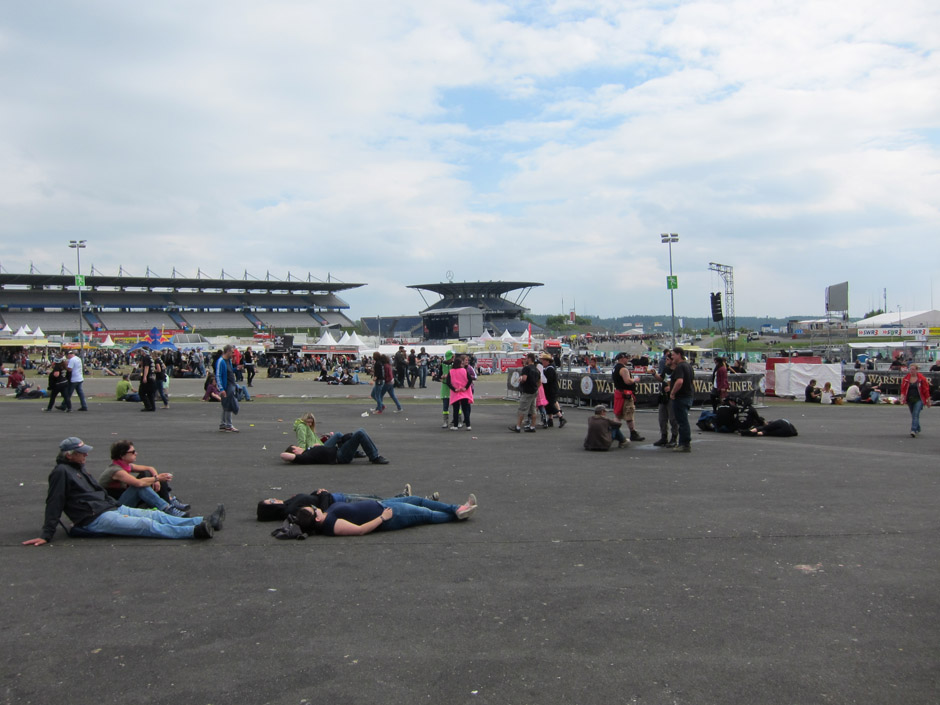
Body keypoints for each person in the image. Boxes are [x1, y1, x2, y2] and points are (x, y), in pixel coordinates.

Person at [22, 437, 224, 545]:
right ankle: (192, 531)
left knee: (153, 515)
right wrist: (46, 534)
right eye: (81, 453)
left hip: (109, 507)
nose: (85, 456)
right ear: (69, 455)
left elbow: (98, 492)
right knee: (146, 524)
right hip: (93, 517)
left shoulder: (78, 469)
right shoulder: (61, 473)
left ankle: (200, 520)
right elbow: (54, 502)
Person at [295, 494, 478, 536]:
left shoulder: (325, 515)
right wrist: (383, 518)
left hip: (383, 504)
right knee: (426, 514)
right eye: (314, 509)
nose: (315, 507)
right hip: (389, 515)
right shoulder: (331, 524)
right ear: (317, 518)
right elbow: (360, 530)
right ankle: (458, 514)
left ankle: (457, 508)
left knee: (419, 500)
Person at [98, 440, 191, 517]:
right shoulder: (116, 471)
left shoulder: (125, 465)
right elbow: (138, 483)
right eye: (133, 452)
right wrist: (157, 478)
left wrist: (156, 479)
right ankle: (167, 508)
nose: (136, 454)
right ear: (122, 455)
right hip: (114, 505)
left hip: (121, 496)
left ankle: (169, 501)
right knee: (140, 486)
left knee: (148, 474)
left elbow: (150, 468)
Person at [256, 484, 417, 521]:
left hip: (336, 497)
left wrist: (317, 492)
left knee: (374, 497)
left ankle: (404, 498)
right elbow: (322, 510)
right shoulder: (290, 510)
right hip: (337, 501)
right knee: (377, 503)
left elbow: (310, 499)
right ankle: (409, 500)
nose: (273, 498)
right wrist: (324, 494)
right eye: (270, 501)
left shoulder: (288, 503)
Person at [280, 428, 389, 464]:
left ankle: (354, 452)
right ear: (294, 450)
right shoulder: (303, 457)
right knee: (360, 432)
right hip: (339, 456)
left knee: (339, 435)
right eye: (297, 447)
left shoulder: (307, 452)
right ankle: (374, 457)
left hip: (336, 450)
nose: (299, 447)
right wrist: (293, 457)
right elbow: (283, 455)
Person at [612, 352, 645, 444]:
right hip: (625, 394)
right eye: (626, 358)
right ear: (622, 358)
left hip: (619, 392)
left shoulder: (615, 368)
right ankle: (633, 433)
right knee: (629, 413)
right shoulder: (623, 369)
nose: (628, 360)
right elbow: (627, 381)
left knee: (618, 414)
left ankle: (613, 432)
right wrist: (635, 379)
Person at [669, 346, 694, 452]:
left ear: (679, 354)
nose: (672, 357)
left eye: (673, 354)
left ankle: (684, 444)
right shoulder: (688, 366)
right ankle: (684, 443)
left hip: (681, 396)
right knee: (683, 420)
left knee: (682, 421)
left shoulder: (680, 367)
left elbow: (679, 381)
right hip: (688, 396)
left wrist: (672, 392)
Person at [652, 350, 678, 447]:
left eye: (667, 359)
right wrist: (654, 374)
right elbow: (662, 378)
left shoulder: (677, 370)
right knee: (662, 418)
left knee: (672, 418)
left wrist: (671, 389)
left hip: (672, 396)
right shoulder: (666, 369)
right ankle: (664, 437)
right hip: (663, 396)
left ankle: (674, 437)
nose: (665, 360)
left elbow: (680, 382)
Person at [509, 352, 540, 433]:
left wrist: (521, 380)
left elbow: (524, 378)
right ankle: (532, 426)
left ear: (529, 359)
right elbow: (539, 382)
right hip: (534, 390)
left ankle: (518, 427)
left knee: (522, 409)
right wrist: (536, 387)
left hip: (527, 391)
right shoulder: (536, 369)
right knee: (533, 409)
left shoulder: (526, 368)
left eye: (526, 358)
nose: (525, 360)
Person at [900, 363, 931, 437]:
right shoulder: (906, 378)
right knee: (913, 414)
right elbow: (903, 390)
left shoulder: (922, 379)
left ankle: (913, 430)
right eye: (910, 369)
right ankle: (918, 427)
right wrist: (902, 398)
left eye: (913, 369)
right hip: (910, 399)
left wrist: (928, 401)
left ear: (917, 370)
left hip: (919, 399)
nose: (911, 371)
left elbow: (926, 390)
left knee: (915, 414)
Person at [445, 354, 474, 431]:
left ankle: (455, 425)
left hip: (456, 393)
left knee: (456, 410)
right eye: (461, 363)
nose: (462, 364)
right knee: (465, 409)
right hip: (464, 393)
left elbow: (448, 382)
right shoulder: (464, 370)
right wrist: (465, 387)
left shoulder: (451, 371)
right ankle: (468, 425)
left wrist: (454, 389)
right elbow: (470, 380)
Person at [539, 352, 566, 428]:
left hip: (551, 390)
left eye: (544, 360)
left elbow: (548, 380)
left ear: (547, 361)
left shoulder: (550, 369)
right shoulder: (547, 368)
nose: (542, 362)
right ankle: (550, 419)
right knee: (548, 404)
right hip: (549, 390)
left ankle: (561, 417)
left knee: (550, 404)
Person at [215, 345, 239, 432]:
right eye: (232, 352)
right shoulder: (221, 361)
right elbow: (218, 375)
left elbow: (230, 371)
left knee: (226, 406)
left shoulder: (228, 361)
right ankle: (229, 425)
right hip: (226, 386)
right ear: (228, 351)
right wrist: (221, 389)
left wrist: (236, 369)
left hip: (231, 385)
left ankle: (223, 424)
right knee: (229, 405)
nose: (233, 354)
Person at [439, 350, 455, 428]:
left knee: (456, 405)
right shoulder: (442, 364)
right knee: (445, 405)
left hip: (453, 386)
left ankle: (458, 420)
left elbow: (456, 374)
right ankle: (445, 421)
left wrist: (448, 376)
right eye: (451, 357)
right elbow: (438, 376)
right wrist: (441, 377)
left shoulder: (454, 364)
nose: (452, 359)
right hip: (445, 387)